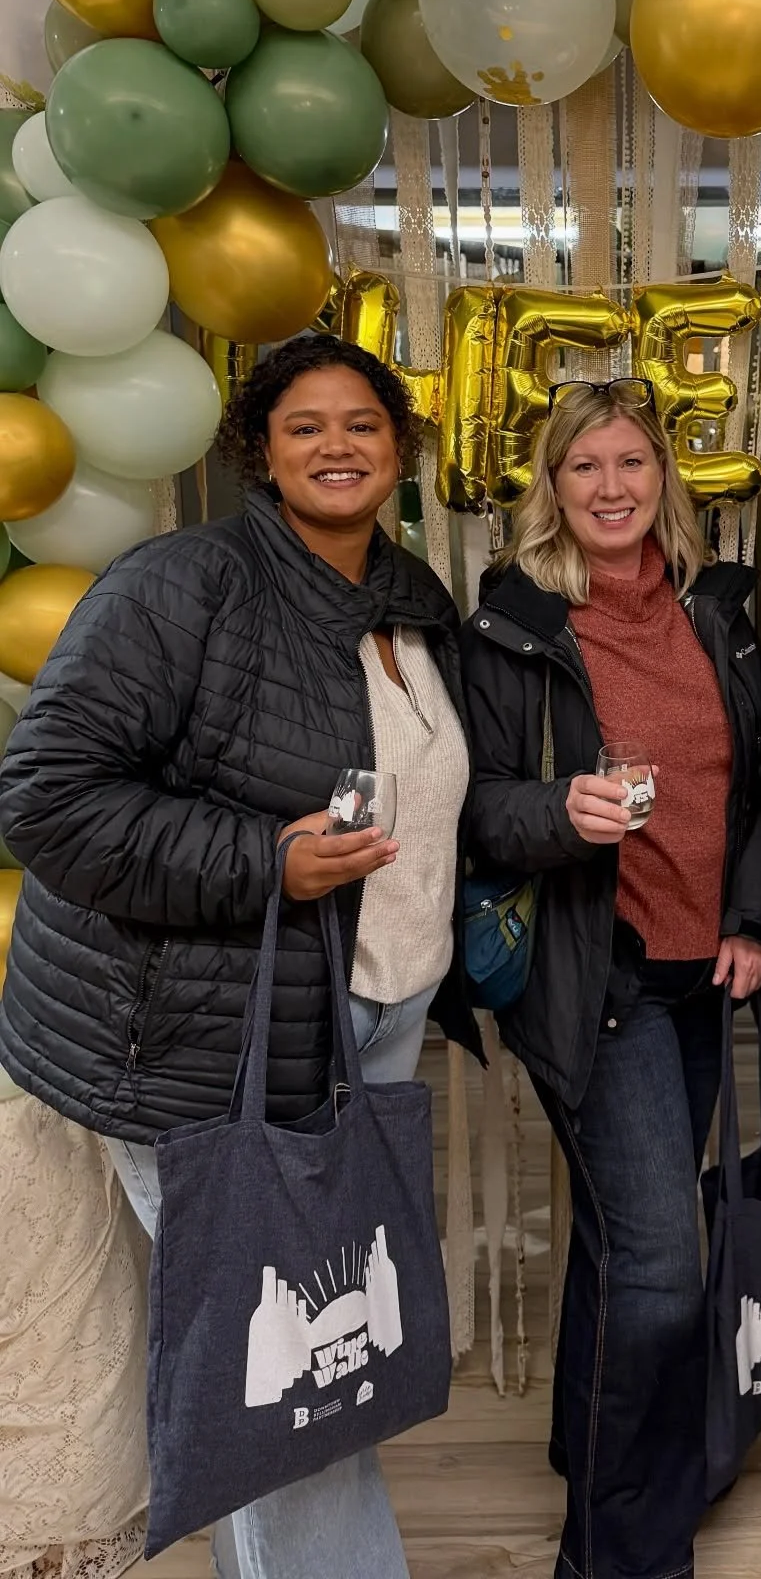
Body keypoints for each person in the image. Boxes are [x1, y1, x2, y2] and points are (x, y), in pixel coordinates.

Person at [0, 336, 481, 1579]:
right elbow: (46, 799)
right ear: (259, 452)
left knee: (321, 1356)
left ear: (402, 448)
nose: (336, 445)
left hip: (364, 1024)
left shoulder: (410, 604)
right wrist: (263, 860)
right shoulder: (184, 583)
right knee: (298, 1386)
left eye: (363, 424)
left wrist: (563, 815)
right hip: (193, 1040)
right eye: (305, 425)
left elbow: (429, 811)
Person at [462, 376, 761, 1579]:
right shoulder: (516, 622)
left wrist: (751, 918)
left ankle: (590, 1457)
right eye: (583, 466)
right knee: (660, 1268)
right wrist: (559, 810)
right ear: (551, 483)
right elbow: (479, 809)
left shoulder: (716, 613)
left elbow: (757, 779)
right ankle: (621, 1550)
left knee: (620, 1241)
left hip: (706, 970)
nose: (610, 487)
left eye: (631, 464)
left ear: (664, 480)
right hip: (603, 979)